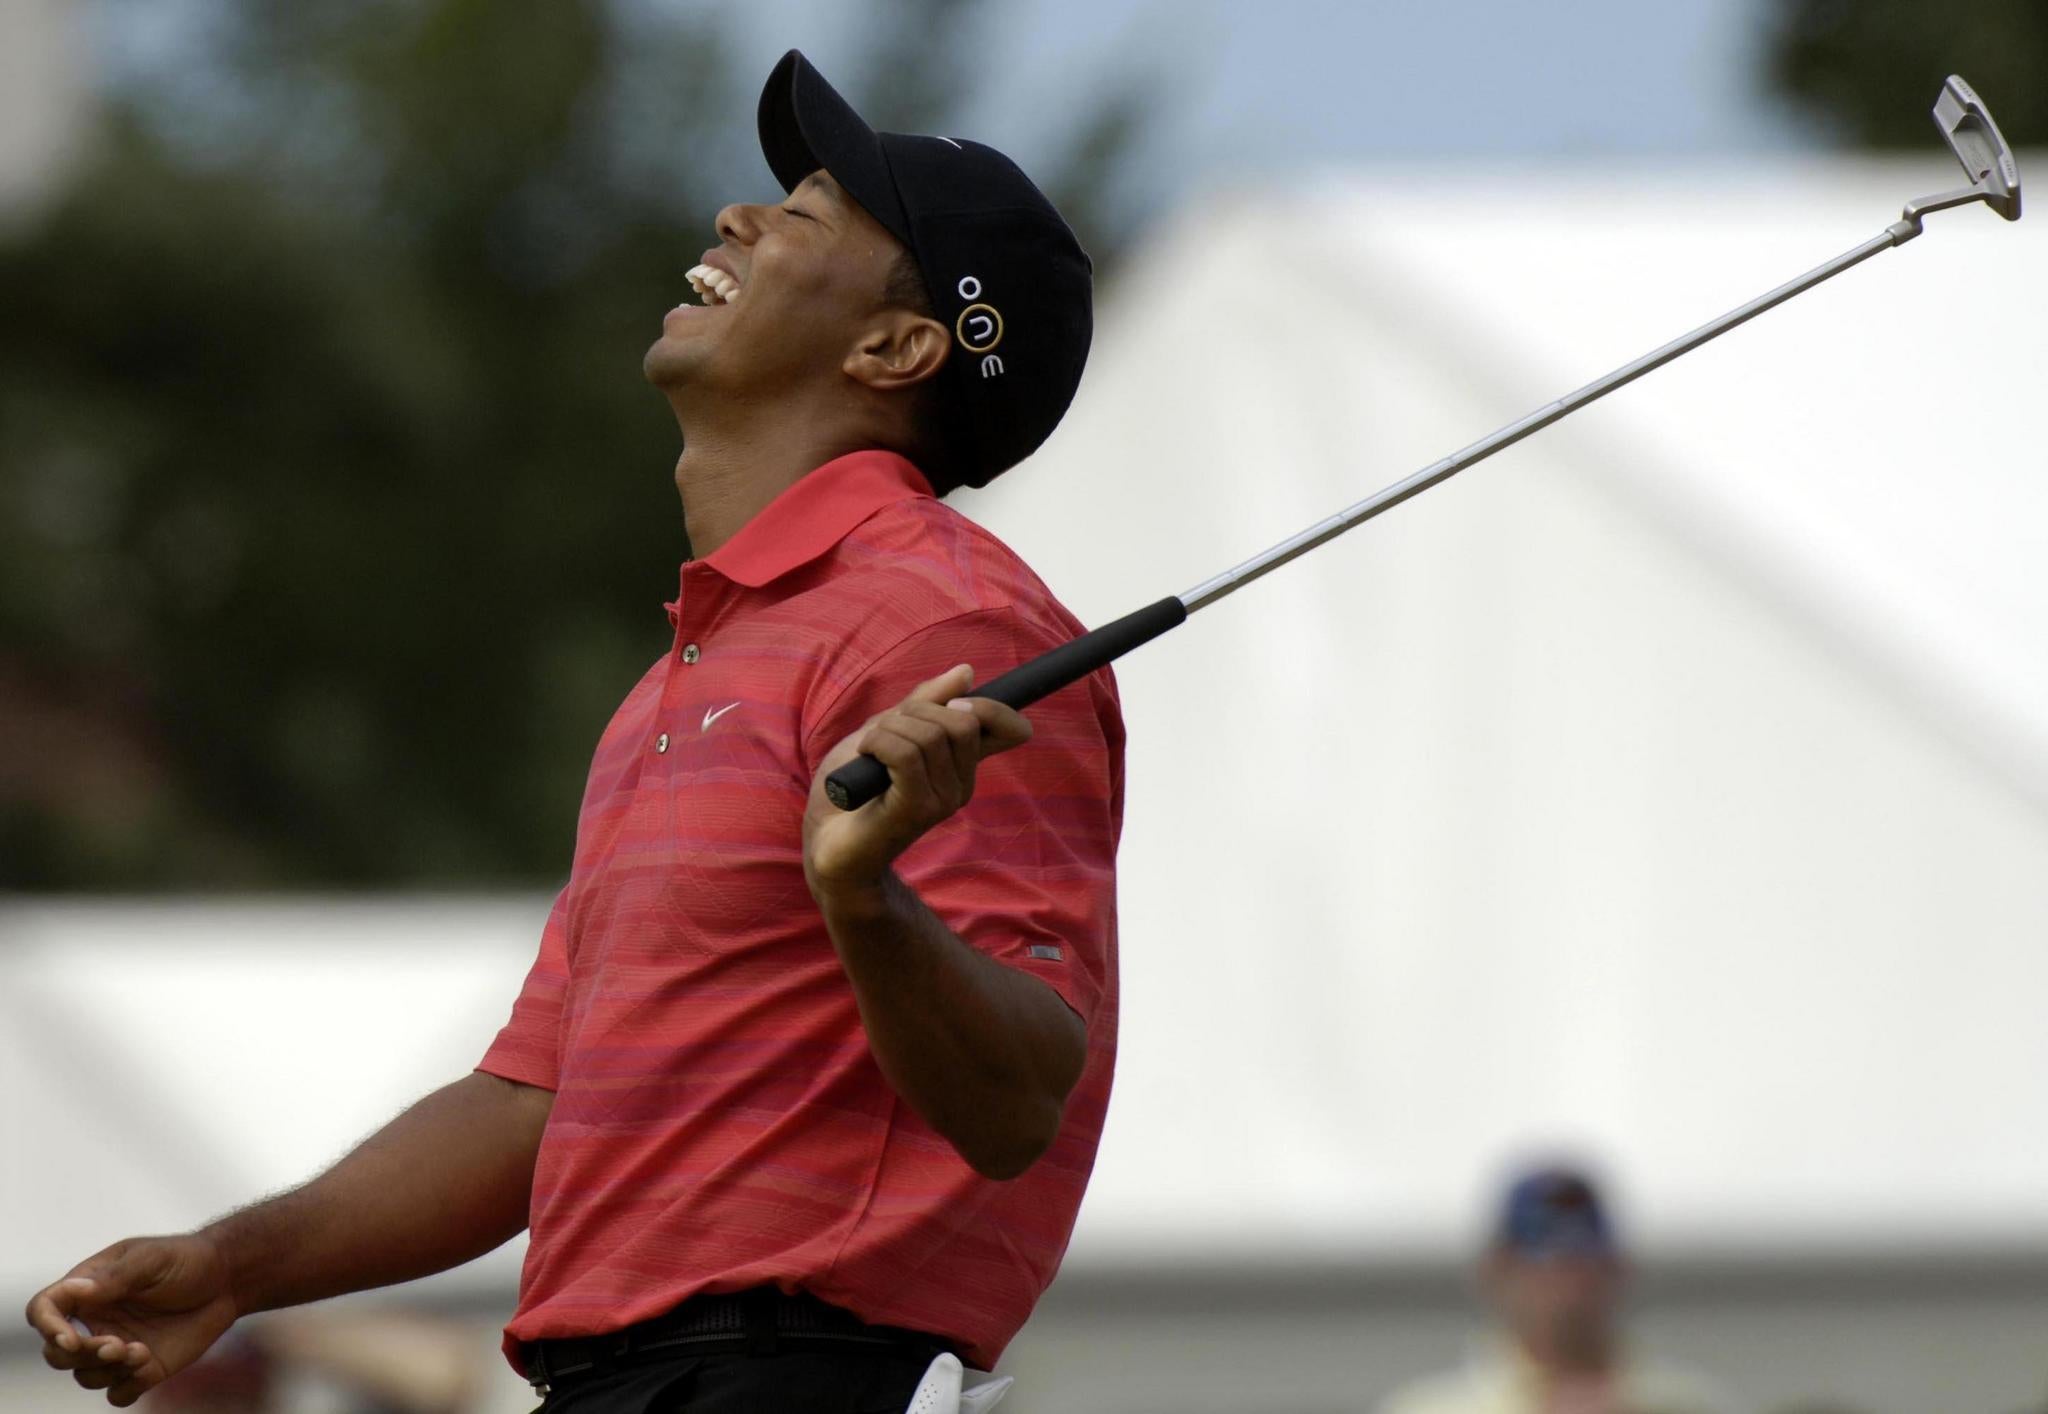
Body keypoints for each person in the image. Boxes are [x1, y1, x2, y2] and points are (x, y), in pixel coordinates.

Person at [24, 48, 1120, 1414]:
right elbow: (536, 1102)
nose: (739, 217)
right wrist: (236, 1264)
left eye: (810, 213)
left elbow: (1018, 1095)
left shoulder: (951, 621)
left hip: (796, 1375)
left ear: (895, 347)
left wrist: (866, 894)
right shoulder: (694, 663)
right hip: (623, 1384)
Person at [1377, 1165, 1732, 1414]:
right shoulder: (1432, 1409)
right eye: (1546, 1265)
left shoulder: (1679, 1404)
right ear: (1496, 1271)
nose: (1570, 1284)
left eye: (1584, 1261)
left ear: (1619, 1269)